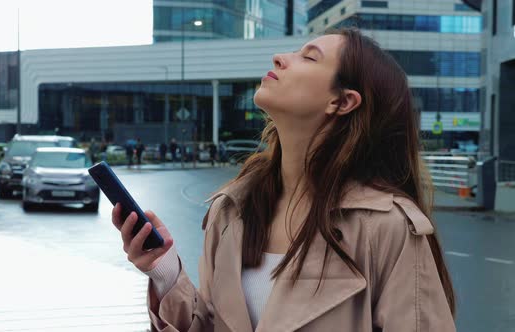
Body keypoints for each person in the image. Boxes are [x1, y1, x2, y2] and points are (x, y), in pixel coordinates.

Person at [111, 28, 456, 331]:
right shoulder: (232, 210)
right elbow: (213, 325)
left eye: (309, 57)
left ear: (342, 101)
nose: (279, 58)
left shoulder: (387, 226)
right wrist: (164, 271)